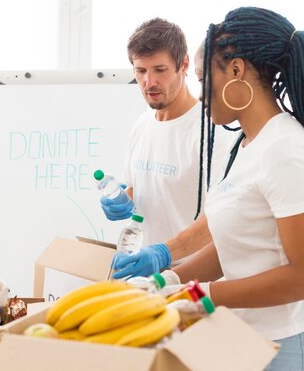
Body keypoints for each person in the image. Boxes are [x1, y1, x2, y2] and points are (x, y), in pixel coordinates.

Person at [170, 6, 304, 370]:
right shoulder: (250, 143)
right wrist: (172, 278)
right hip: (252, 341)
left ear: (236, 70)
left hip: (290, 345)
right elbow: (238, 243)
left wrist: (204, 296)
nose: (199, 94)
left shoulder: (285, 151)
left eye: (201, 77)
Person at [101, 18, 235, 278]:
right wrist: (119, 200)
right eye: (141, 71)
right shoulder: (142, 125)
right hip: (145, 277)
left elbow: (221, 220)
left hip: (194, 279)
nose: (149, 82)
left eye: (160, 69)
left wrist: (165, 254)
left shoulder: (214, 130)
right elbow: (135, 190)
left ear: (184, 64)